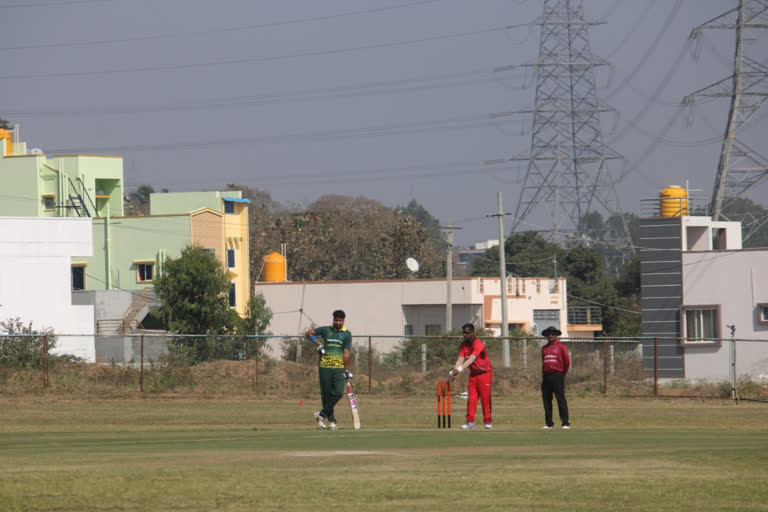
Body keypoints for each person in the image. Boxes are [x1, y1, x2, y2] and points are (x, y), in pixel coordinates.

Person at [305, 309, 352, 431]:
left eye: (340, 320)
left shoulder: (347, 334)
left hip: (338, 368)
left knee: (338, 392)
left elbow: (346, 353)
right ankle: (331, 421)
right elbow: (309, 333)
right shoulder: (326, 330)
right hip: (325, 367)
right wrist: (318, 344)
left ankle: (321, 414)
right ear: (333, 320)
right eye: (336, 320)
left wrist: (346, 370)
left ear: (343, 321)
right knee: (326, 396)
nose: (338, 322)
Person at [448, 323, 493, 430]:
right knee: (471, 399)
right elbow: (460, 359)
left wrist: (460, 369)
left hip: (484, 374)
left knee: (485, 399)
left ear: (472, 333)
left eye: (467, 333)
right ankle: (470, 422)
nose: (465, 335)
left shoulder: (478, 344)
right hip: (473, 375)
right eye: (463, 332)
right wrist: (455, 371)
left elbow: (472, 359)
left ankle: (488, 422)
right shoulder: (463, 345)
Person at [540, 326, 571, 430]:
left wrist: (562, 374)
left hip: (558, 375)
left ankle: (565, 423)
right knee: (546, 400)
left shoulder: (561, 347)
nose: (550, 336)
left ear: (556, 335)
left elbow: (567, 362)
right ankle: (549, 423)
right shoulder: (544, 348)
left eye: (553, 334)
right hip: (546, 376)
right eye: (548, 334)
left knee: (560, 399)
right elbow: (543, 362)